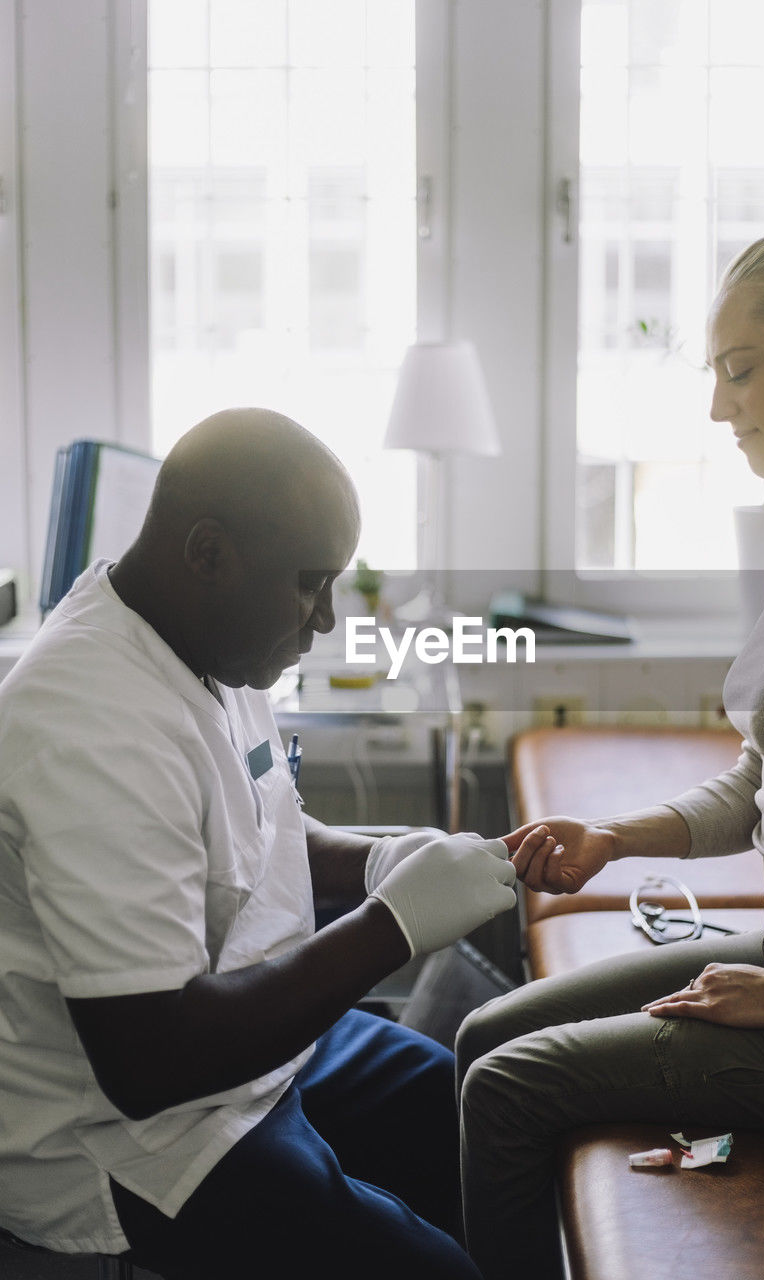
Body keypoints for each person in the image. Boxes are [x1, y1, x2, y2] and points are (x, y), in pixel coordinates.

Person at [0, 408, 529, 1280]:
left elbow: (258, 822)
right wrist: (391, 926)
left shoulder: (202, 636)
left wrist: (376, 861)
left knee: (482, 1112)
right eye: (309, 585)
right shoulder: (86, 723)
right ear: (206, 554)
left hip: (257, 1051)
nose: (323, 622)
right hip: (132, 1138)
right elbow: (150, 1063)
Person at [456, 224, 764, 1280]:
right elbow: (760, 778)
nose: (719, 407)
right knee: (480, 1036)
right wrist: (609, 839)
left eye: (739, 368)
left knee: (507, 1086)